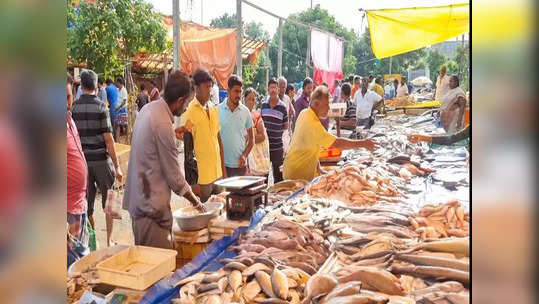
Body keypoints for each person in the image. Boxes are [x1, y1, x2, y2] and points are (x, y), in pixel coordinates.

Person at [122, 70, 205, 249]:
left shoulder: (149, 109)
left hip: (140, 205)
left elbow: (151, 146)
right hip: (150, 210)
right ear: (180, 101)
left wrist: (172, 133)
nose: (185, 109)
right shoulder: (162, 123)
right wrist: (197, 203)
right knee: (157, 271)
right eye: (187, 103)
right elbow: (175, 177)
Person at [71, 69, 122, 247]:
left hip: (83, 163)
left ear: (82, 85)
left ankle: (94, 242)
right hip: (102, 160)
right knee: (109, 201)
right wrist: (118, 166)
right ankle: (109, 239)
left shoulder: (74, 107)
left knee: (87, 204)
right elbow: (109, 139)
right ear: (96, 85)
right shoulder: (102, 106)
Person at [283, 86, 376, 181]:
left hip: (293, 169)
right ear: (316, 104)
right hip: (296, 175)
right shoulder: (312, 124)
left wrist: (319, 169)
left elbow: (310, 146)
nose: (328, 108)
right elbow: (337, 143)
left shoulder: (305, 113)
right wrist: (363, 143)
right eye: (326, 104)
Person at [181, 69, 226, 202]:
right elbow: (188, 151)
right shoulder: (189, 112)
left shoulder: (213, 108)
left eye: (210, 87)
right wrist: (193, 183)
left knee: (219, 215)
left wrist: (223, 171)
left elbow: (218, 139)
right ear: (196, 88)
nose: (210, 91)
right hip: (202, 179)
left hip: (217, 175)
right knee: (203, 217)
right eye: (206, 87)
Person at [67, 72, 88, 249]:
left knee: (79, 266)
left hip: (79, 204)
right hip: (65, 211)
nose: (67, 102)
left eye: (69, 96)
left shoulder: (70, 120)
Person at [218, 75, 254, 177]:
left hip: (240, 168)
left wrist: (244, 155)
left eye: (240, 91)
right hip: (222, 166)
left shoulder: (245, 112)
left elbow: (252, 140)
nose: (238, 95)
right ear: (228, 90)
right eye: (236, 91)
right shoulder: (217, 110)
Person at [261, 78, 289, 183]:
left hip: (278, 148)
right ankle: (264, 199)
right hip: (265, 148)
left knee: (279, 178)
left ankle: (278, 199)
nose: (273, 90)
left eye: (275, 87)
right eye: (271, 88)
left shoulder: (283, 107)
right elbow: (261, 125)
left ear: (278, 90)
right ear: (268, 90)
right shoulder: (263, 105)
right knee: (264, 177)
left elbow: (286, 127)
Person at [244, 88, 270, 180]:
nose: (251, 102)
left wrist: (248, 137)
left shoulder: (256, 115)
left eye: (253, 99)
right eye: (249, 99)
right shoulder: (240, 113)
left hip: (254, 159)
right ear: (244, 99)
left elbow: (262, 136)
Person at [277, 76, 295, 150]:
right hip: (276, 132)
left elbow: (292, 111)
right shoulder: (273, 99)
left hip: (286, 132)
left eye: (284, 87)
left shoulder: (287, 98)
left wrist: (290, 116)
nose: (282, 90)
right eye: (281, 87)